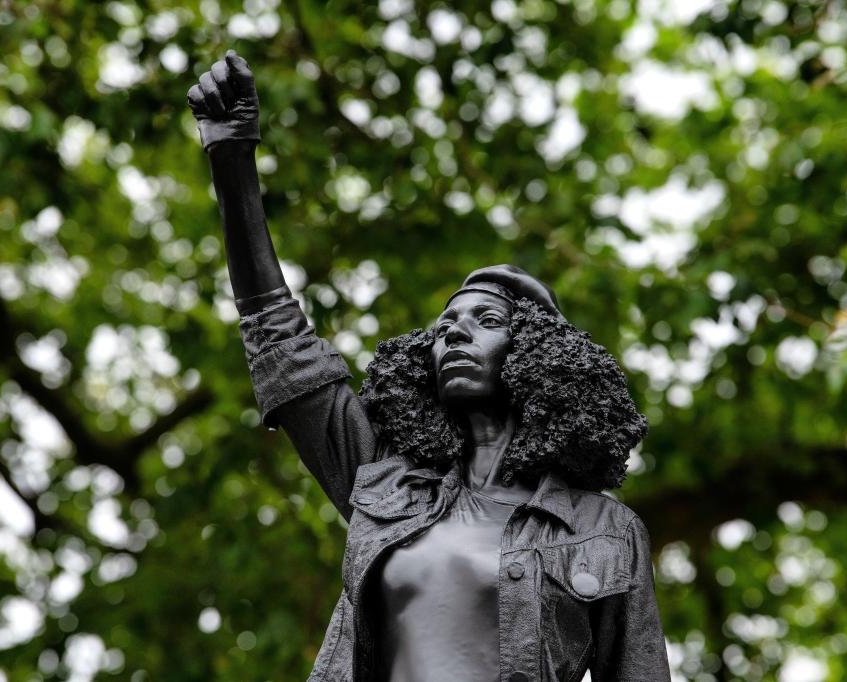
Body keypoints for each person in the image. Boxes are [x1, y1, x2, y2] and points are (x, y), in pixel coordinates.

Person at [187, 51, 670, 682]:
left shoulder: (604, 528)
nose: (455, 335)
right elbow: (280, 342)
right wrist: (233, 162)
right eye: (444, 329)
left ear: (539, 358)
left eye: (485, 322)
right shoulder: (385, 485)